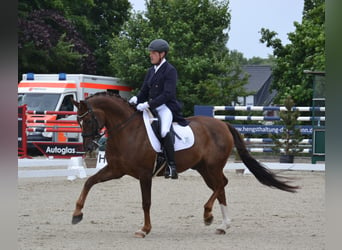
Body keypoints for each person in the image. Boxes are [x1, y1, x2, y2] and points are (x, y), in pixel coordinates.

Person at [129, 39, 188, 179]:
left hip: (165, 107)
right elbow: (144, 91)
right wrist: (137, 99)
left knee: (164, 130)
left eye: (153, 53)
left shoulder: (170, 70)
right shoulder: (151, 71)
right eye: (150, 52)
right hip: (152, 107)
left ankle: (172, 166)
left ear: (162, 54)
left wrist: (148, 104)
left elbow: (168, 94)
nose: (151, 55)